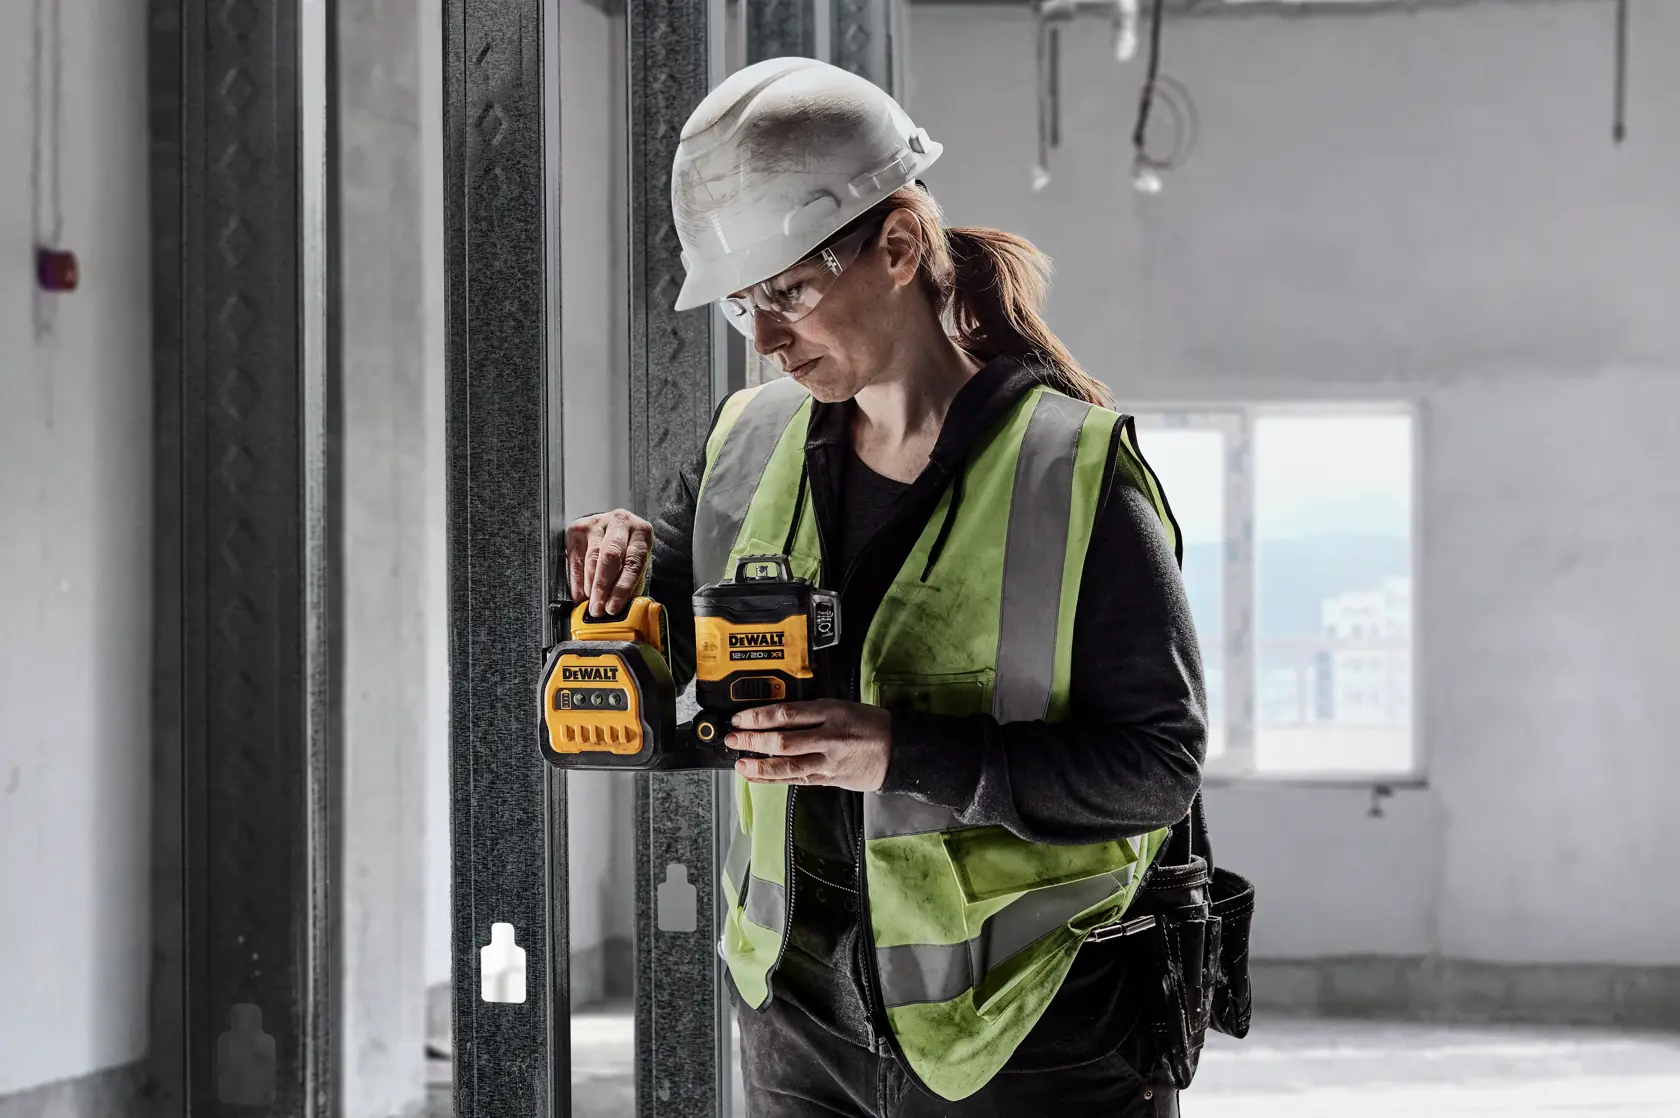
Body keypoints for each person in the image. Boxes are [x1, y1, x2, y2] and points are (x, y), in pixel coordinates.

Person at [567, 57, 1206, 1117]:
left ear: (899, 247)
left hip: (1027, 1029)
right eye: (742, 306)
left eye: (791, 292)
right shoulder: (742, 447)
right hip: (799, 1020)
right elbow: (653, 695)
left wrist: (901, 751)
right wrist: (606, 601)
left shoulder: (1068, 473)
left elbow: (1155, 769)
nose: (765, 341)